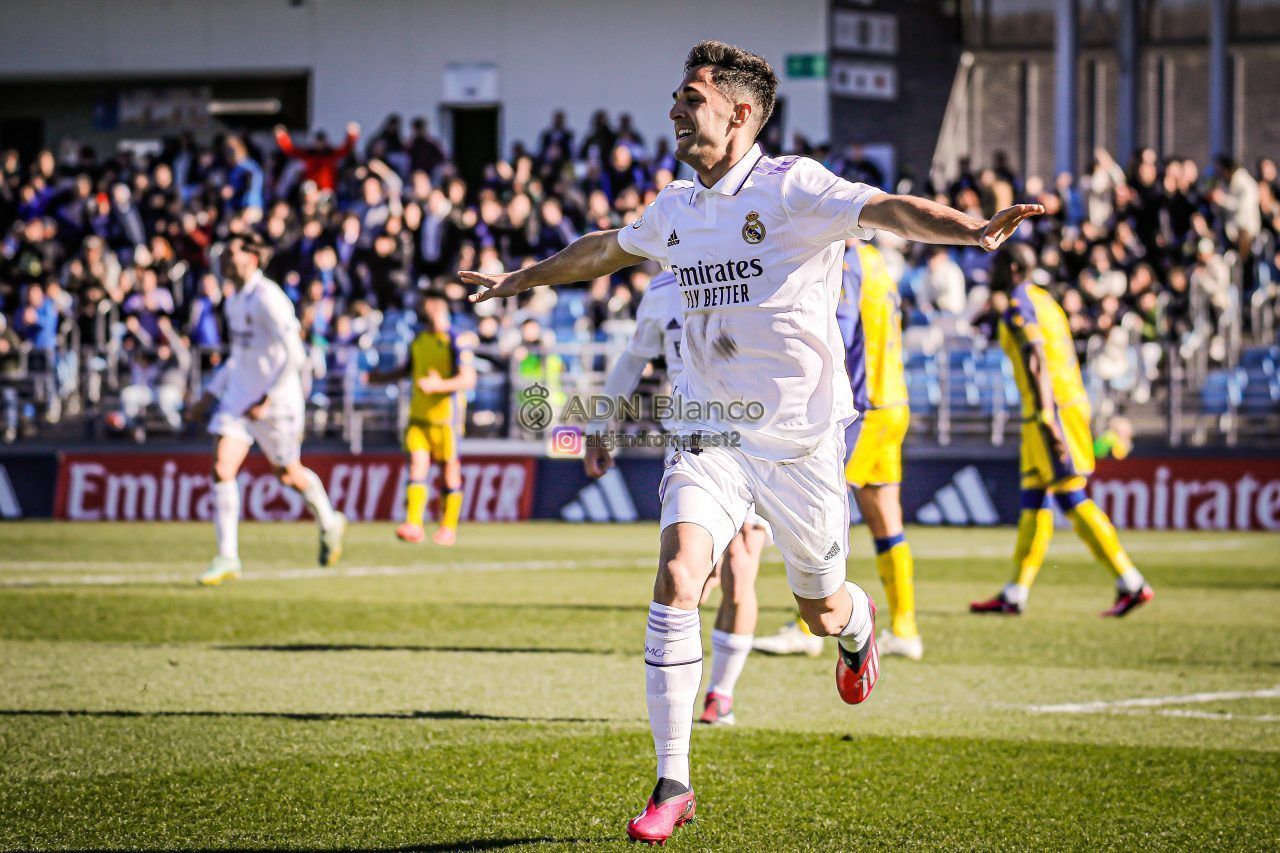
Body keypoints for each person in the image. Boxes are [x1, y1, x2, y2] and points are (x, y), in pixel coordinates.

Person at [467, 40, 1040, 843]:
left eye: (691, 97)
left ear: (740, 112)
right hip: (709, 430)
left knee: (819, 608)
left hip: (802, 444)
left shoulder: (795, 186)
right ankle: (673, 781)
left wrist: (972, 230)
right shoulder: (675, 206)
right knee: (680, 572)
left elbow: (887, 209)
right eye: (677, 95)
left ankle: (858, 626)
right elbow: (603, 248)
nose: (674, 108)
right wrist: (519, 278)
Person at [582, 271, 770, 727]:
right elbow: (633, 359)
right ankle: (679, 692)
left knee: (740, 564)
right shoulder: (662, 290)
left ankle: (721, 693)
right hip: (690, 444)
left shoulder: (751, 268)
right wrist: (599, 427)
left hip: (753, 439)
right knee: (689, 574)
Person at [754, 238, 921, 660]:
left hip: (865, 407)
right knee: (886, 519)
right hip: (892, 401)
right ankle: (905, 628)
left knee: (819, 504)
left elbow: (837, 331)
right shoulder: (875, 260)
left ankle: (808, 629)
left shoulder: (847, 263)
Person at [970, 244, 1153, 618]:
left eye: (998, 266)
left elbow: (1036, 359)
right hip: (1049, 409)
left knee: (1071, 497)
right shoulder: (1043, 300)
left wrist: (1047, 419)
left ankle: (1131, 582)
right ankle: (1015, 592)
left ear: (1015, 268)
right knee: (1033, 502)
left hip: (1051, 412)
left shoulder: (1020, 304)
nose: (991, 273)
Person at [186, 233, 346, 586]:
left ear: (253, 258)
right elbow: (239, 357)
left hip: (278, 403)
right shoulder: (234, 300)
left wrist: (269, 397)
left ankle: (329, 520)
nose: (225, 258)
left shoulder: (268, 298)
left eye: (233, 252)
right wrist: (209, 395)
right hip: (240, 399)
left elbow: (296, 353)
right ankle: (227, 556)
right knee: (222, 467)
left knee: (287, 474)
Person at [367, 290, 475, 546]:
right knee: (417, 465)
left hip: (446, 420)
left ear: (442, 309)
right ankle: (414, 524)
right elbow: (408, 370)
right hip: (418, 417)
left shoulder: (456, 341)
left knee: (449, 472)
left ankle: (448, 527)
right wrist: (380, 378)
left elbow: (468, 379)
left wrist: (439, 386)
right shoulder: (419, 339)